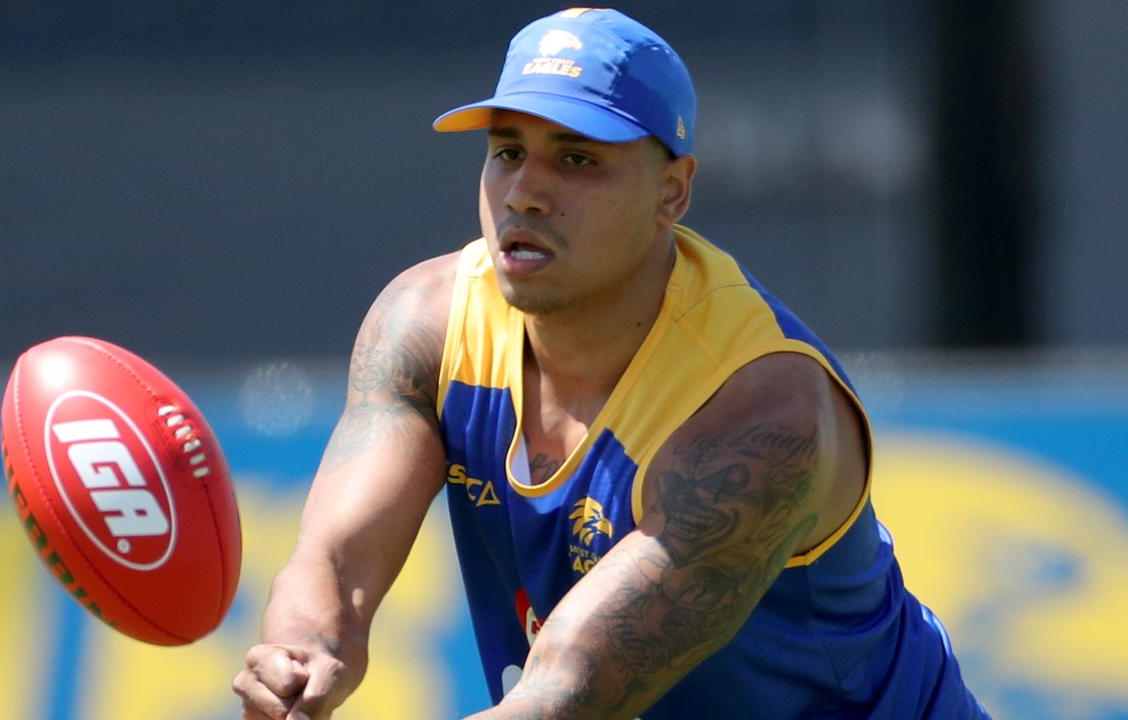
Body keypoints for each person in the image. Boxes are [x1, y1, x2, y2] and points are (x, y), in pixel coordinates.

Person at [233, 8, 990, 719]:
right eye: (507, 153)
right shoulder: (427, 325)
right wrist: (301, 658)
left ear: (672, 193)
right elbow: (332, 562)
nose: (526, 191)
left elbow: (566, 692)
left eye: (577, 158)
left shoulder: (759, 409)